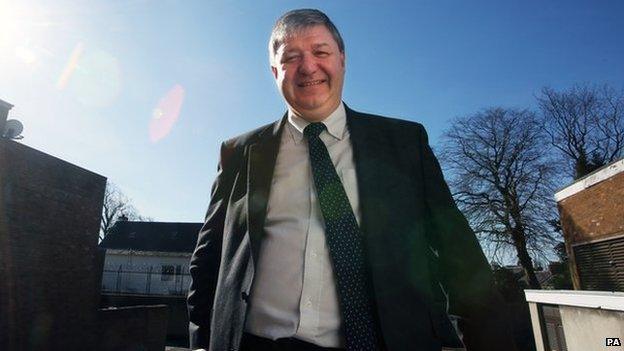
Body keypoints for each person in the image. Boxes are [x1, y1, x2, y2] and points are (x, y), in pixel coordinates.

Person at [187, 8, 516, 351]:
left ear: (342, 59)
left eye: (321, 52)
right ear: (274, 71)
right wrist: (200, 342)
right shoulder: (238, 152)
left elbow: (458, 255)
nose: (308, 66)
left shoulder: (404, 143)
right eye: (291, 57)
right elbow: (207, 261)